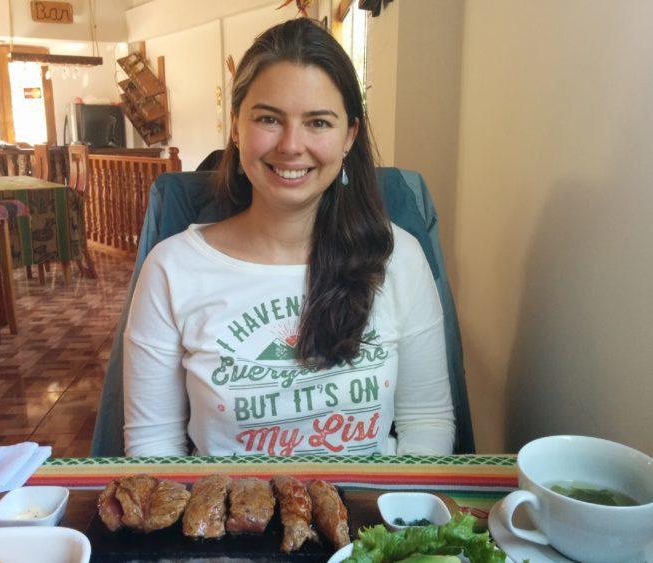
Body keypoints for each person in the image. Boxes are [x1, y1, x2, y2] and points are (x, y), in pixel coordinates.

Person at [123, 18, 455, 457]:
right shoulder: (172, 268)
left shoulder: (399, 257)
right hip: (231, 522)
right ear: (237, 127)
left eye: (318, 122)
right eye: (268, 119)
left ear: (349, 136)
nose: (291, 145)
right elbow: (153, 444)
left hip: (370, 518)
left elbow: (426, 421)